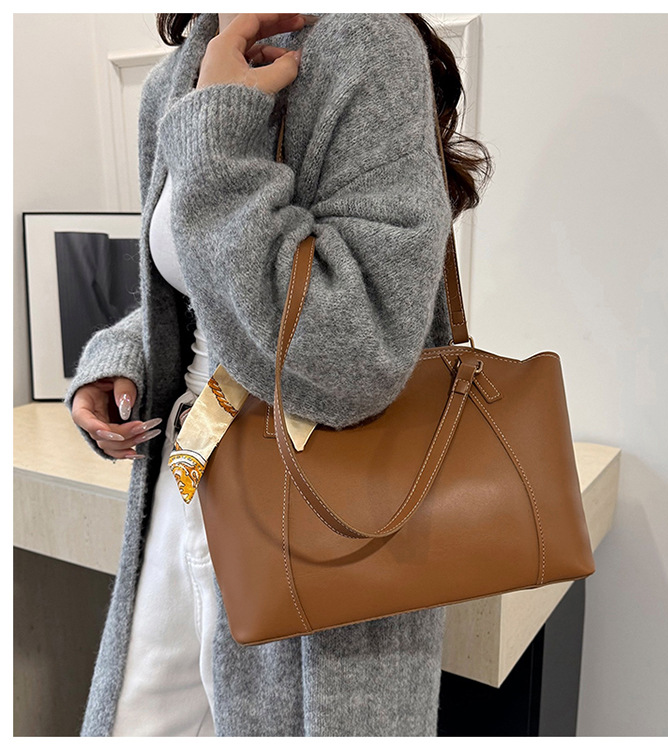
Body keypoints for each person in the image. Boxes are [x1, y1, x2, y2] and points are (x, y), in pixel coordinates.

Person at [67, 12, 492, 737]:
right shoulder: (178, 74)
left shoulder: (366, 46)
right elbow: (199, 289)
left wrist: (220, 143)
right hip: (186, 477)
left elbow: (355, 355)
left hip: (324, 507)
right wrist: (123, 354)